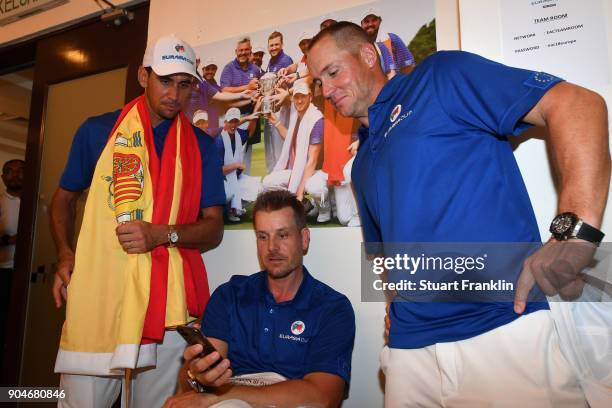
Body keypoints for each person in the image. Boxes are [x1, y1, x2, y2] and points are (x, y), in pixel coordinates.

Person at [307, 22, 610, 406]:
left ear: (368, 55)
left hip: (502, 331)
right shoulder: (363, 161)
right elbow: (385, 256)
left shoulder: (438, 77)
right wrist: (394, 305)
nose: (326, 90)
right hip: (408, 352)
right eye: (318, 81)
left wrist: (574, 234)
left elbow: (577, 103)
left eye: (333, 72)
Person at [50, 34, 225, 407]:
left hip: (168, 306)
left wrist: (161, 234)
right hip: (101, 296)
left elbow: (213, 227)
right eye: (165, 81)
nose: (175, 95)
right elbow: (63, 200)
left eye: (184, 85)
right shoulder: (97, 132)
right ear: (143, 76)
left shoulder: (203, 146)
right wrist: (65, 255)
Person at [164, 189, 355, 408]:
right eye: (263, 236)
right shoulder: (230, 295)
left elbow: (323, 397)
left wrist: (220, 396)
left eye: (282, 235)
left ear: (304, 239)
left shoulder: (331, 308)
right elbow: (196, 381)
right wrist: (195, 375)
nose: (272, 247)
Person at [262, 82, 325, 214]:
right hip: (299, 170)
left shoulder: (316, 119)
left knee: (315, 187)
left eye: (303, 96)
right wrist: (276, 122)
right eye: (296, 97)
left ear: (310, 97)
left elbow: (312, 161)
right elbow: (291, 138)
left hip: (317, 172)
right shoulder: (296, 116)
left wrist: (300, 193)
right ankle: (306, 205)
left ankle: (325, 207)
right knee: (268, 183)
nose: (299, 100)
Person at [220, 37, 263, 173]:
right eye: (240, 50)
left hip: (251, 115)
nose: (243, 53)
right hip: (234, 119)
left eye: (246, 50)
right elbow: (224, 90)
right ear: (236, 51)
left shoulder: (255, 69)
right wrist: (247, 87)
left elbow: (259, 90)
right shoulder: (229, 68)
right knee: (233, 157)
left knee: (247, 157)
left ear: (250, 51)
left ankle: (245, 189)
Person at [216, 107, 262, 222]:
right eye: (230, 121)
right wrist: (236, 165)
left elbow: (250, 133)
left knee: (258, 188)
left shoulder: (237, 134)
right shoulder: (219, 141)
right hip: (220, 181)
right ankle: (226, 212)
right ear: (225, 122)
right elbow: (217, 171)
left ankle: (235, 208)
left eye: (235, 121)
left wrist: (254, 117)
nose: (233, 124)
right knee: (229, 193)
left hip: (235, 179)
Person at [0, 158, 24, 363]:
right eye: (10, 171)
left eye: (21, 171)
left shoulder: (38, 202)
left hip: (31, 275)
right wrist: (10, 239)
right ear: (2, 177)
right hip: (4, 273)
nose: (15, 175)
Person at [360, 7, 416, 77]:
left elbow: (409, 66)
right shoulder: (358, 47)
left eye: (374, 20)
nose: (370, 24)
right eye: (366, 21)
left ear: (380, 21)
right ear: (361, 24)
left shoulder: (392, 39)